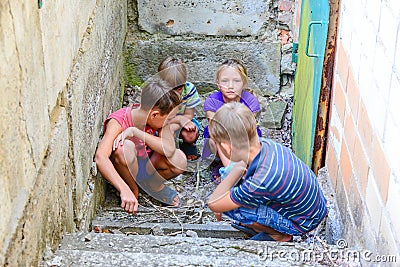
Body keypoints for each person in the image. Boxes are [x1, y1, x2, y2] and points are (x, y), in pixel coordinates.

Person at [207, 102, 328, 241]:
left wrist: (219, 205)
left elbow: (214, 202)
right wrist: (237, 171)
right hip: (314, 208)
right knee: (231, 175)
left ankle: (279, 235)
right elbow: (238, 167)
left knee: (232, 208)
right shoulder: (267, 145)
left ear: (227, 147)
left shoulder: (261, 180)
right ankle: (260, 224)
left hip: (303, 223)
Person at [95, 79, 187, 214]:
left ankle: (154, 186)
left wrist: (136, 132)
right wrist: (124, 189)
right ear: (154, 115)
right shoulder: (119, 120)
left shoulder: (159, 118)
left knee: (179, 159)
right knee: (123, 148)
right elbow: (100, 157)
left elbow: (169, 149)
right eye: (169, 118)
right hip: (128, 169)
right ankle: (133, 189)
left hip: (149, 167)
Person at [203, 59, 262, 182]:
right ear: (218, 83)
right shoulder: (212, 102)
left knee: (256, 134)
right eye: (225, 81)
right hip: (221, 137)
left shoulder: (251, 101)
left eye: (236, 81)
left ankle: (249, 165)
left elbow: (248, 127)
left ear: (244, 83)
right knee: (214, 136)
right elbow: (215, 129)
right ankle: (227, 168)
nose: (230, 86)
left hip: (243, 136)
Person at [158, 56, 201, 160]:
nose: (175, 94)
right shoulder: (158, 92)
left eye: (179, 89)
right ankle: (170, 152)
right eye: (170, 89)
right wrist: (177, 121)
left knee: (191, 134)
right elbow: (161, 118)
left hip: (183, 120)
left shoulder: (189, 90)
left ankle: (187, 146)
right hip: (163, 122)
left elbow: (189, 114)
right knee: (164, 134)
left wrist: (182, 120)